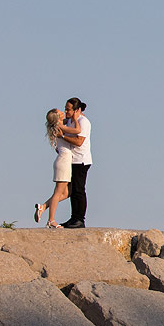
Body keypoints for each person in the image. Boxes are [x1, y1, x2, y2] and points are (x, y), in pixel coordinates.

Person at [56, 97, 92, 228]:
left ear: (77, 110)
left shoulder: (84, 122)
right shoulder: (71, 121)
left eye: (68, 109)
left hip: (81, 160)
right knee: (73, 191)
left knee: (79, 190)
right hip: (72, 160)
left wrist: (63, 137)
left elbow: (79, 141)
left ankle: (80, 219)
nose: (66, 111)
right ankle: (73, 217)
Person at [34, 109, 72, 228]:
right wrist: (76, 118)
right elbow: (77, 130)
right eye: (60, 111)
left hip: (64, 160)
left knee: (67, 193)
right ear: (57, 116)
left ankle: (43, 207)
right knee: (58, 192)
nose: (63, 111)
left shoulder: (59, 126)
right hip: (64, 161)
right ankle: (51, 220)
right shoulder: (60, 127)